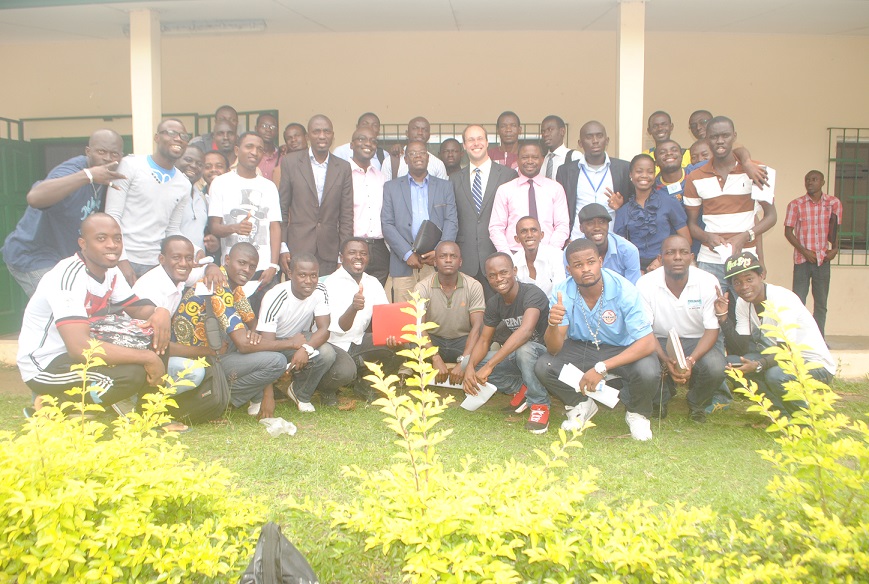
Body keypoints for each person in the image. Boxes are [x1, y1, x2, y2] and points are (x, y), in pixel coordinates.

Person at [17, 213, 173, 415]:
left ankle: (150, 416)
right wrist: (147, 357)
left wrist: (160, 311)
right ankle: (52, 404)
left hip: (78, 353)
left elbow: (136, 308)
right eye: (101, 238)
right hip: (46, 364)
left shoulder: (110, 271)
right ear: (83, 243)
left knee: (157, 335)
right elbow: (79, 347)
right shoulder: (68, 277)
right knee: (129, 376)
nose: (112, 245)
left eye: (117, 239)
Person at [534, 239, 659, 441]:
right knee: (544, 366)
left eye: (590, 262)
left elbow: (647, 342)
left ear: (600, 261)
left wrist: (601, 368)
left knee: (648, 370)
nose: (585, 269)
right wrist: (553, 324)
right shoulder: (562, 292)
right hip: (583, 346)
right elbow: (554, 348)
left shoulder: (623, 289)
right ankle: (580, 404)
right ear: (569, 269)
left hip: (622, 347)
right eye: (578, 265)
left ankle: (637, 413)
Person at [2, 129, 125, 296]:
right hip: (33, 255)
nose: (107, 158)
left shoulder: (109, 176)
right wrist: (88, 175)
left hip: (63, 257)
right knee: (63, 301)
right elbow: (34, 197)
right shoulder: (73, 170)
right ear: (88, 151)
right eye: (101, 152)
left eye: (114, 154)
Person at [172, 242, 288, 419]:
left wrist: (253, 335)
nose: (247, 270)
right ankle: (217, 398)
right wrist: (291, 343)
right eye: (241, 263)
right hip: (198, 361)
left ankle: (254, 396)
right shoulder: (218, 284)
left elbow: (253, 324)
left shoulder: (235, 287)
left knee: (252, 338)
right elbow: (243, 344)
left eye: (252, 266)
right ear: (227, 260)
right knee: (276, 361)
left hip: (214, 352)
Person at [718, 252, 836, 419]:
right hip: (780, 360)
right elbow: (742, 348)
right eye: (737, 282)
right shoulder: (743, 304)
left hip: (814, 365)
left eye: (749, 279)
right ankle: (781, 416)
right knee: (731, 365)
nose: (744, 286)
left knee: (775, 375)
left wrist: (758, 365)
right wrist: (723, 319)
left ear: (761, 276)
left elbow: (786, 350)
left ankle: (806, 419)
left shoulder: (782, 299)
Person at [635, 235, 725, 422]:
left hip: (697, 341)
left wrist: (691, 360)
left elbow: (712, 330)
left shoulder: (708, 281)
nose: (677, 257)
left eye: (683, 253)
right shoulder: (645, 283)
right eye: (670, 253)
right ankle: (660, 400)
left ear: (691, 257)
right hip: (658, 339)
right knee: (646, 367)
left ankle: (697, 403)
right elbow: (645, 330)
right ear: (660, 258)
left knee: (716, 367)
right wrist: (666, 358)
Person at [683, 116, 777, 293]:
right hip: (710, 261)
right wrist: (706, 237)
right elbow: (692, 225)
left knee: (747, 309)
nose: (720, 141)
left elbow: (771, 216)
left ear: (734, 136)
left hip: (746, 259)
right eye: (714, 137)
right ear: (707, 140)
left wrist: (745, 236)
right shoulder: (695, 178)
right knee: (711, 309)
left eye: (725, 135)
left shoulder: (757, 170)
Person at [462, 253, 552, 433]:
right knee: (466, 363)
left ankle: (540, 404)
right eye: (492, 275)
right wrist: (470, 367)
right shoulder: (494, 303)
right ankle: (524, 388)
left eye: (503, 272)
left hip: (544, 357)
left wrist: (489, 366)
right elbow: (484, 340)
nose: (498, 279)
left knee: (524, 349)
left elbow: (525, 332)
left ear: (514, 271)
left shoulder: (532, 293)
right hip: (517, 357)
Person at [257, 253, 352, 412]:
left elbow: (324, 329)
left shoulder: (320, 289)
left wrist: (305, 349)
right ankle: (264, 391)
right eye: (302, 275)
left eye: (313, 275)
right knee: (277, 358)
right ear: (290, 274)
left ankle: (300, 392)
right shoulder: (275, 296)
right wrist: (268, 396)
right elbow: (266, 347)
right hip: (275, 343)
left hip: (300, 338)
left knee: (329, 354)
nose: (308, 281)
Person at [106, 118, 191, 281]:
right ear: (156, 137)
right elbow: (112, 216)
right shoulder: (130, 165)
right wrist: (121, 259)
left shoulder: (184, 184)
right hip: (123, 259)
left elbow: (172, 230)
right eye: (171, 133)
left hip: (156, 264)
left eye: (183, 136)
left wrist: (194, 250)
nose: (178, 139)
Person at [132, 235, 215, 389]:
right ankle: (144, 398)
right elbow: (159, 345)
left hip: (154, 349)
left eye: (188, 258)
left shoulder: (176, 273)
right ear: (162, 259)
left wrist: (213, 268)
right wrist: (208, 351)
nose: (183, 263)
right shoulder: (152, 287)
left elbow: (204, 271)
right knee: (194, 372)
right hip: (139, 353)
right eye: (176, 257)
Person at [381, 140, 458, 301]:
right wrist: (407, 253)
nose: (418, 156)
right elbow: (387, 224)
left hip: (435, 263)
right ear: (405, 159)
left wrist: (439, 252)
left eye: (422, 153)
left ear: (428, 157)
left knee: (435, 311)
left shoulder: (445, 186)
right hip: (403, 263)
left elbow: (451, 221)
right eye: (412, 153)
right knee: (404, 313)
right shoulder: (391, 187)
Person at [278, 114, 354, 275]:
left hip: (330, 250)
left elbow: (347, 215)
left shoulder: (343, 167)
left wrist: (343, 253)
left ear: (333, 136)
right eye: (316, 131)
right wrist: (282, 246)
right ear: (308, 136)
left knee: (327, 291)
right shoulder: (290, 163)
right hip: (297, 248)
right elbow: (282, 208)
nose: (322, 136)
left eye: (326, 131)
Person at [208, 132, 282, 292]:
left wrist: (273, 265)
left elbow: (275, 227)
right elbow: (214, 227)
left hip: (263, 271)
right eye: (249, 147)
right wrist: (235, 228)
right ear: (236, 150)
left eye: (259, 149)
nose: (254, 152)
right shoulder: (220, 183)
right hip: (232, 270)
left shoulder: (269, 187)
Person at [323, 238, 395, 401]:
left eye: (363, 253)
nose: (358, 257)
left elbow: (384, 317)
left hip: (358, 341)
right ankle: (326, 389)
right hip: (334, 346)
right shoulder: (331, 284)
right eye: (352, 253)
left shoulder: (372, 282)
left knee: (400, 346)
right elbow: (340, 328)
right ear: (341, 257)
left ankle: (365, 386)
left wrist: (391, 336)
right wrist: (353, 308)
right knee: (345, 372)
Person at [452, 124, 517, 291]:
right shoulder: (453, 179)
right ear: (464, 145)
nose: (476, 143)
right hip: (466, 260)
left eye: (480, 138)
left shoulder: (508, 175)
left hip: (498, 258)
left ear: (487, 142)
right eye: (470, 140)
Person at [414, 241, 485, 385]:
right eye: (443, 256)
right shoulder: (422, 287)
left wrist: (463, 362)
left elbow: (477, 328)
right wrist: (435, 357)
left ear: (460, 262)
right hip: (434, 341)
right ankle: (443, 368)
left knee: (483, 350)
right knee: (413, 346)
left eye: (453, 256)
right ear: (435, 262)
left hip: (462, 342)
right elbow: (419, 327)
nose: (448, 260)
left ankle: (454, 369)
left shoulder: (474, 286)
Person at [784, 170, 842, 336]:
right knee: (798, 303)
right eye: (807, 179)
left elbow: (836, 228)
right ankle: (796, 339)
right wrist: (804, 251)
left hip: (823, 260)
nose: (810, 182)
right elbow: (788, 232)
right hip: (802, 261)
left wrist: (835, 249)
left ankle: (818, 340)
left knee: (821, 304)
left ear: (822, 182)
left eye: (814, 179)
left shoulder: (833, 203)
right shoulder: (796, 204)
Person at [612, 154, 691, 272]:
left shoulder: (669, 202)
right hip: (635, 267)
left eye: (650, 172)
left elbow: (686, 240)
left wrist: (661, 260)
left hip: (666, 265)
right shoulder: (624, 210)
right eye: (639, 171)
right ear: (631, 175)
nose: (644, 175)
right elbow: (620, 247)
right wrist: (635, 270)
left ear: (654, 175)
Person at [488, 142, 569, 253]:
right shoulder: (505, 190)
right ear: (517, 160)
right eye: (525, 157)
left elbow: (562, 225)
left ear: (542, 160)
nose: (530, 161)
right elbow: (496, 227)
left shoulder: (555, 188)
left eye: (535, 157)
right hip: (514, 253)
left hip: (548, 253)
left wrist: (551, 252)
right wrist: (508, 255)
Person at [556, 120, 632, 237]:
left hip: (612, 238)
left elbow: (633, 205)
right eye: (589, 137)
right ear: (580, 143)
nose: (595, 141)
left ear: (607, 140)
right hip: (578, 238)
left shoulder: (624, 168)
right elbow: (560, 209)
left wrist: (621, 207)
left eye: (599, 136)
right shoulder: (565, 171)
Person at [347, 126, 390, 286]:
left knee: (375, 296)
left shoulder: (381, 178)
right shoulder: (342, 174)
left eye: (373, 141)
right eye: (362, 139)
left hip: (379, 249)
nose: (368, 144)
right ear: (351, 145)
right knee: (351, 295)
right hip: (352, 246)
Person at [578, 203, 641, 284]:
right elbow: (572, 286)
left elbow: (632, 288)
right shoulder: (573, 253)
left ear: (608, 225)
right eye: (590, 223)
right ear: (581, 228)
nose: (597, 228)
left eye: (602, 222)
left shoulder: (628, 250)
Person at [512, 216, 567, 296]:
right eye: (524, 231)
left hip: (555, 303)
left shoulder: (556, 256)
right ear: (517, 238)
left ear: (541, 235)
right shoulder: (514, 261)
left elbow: (560, 293)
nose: (529, 235)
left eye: (533, 230)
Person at [381, 116, 448, 179]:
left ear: (429, 135)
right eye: (415, 128)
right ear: (407, 133)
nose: (420, 133)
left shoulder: (438, 164)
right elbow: (386, 187)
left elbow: (442, 187)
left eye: (425, 130)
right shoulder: (390, 162)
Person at [175, 146, 211, 254]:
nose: (194, 166)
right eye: (188, 160)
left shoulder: (202, 198)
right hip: (175, 260)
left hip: (198, 261)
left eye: (200, 164)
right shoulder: (167, 193)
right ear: (176, 160)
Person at [540, 115, 578, 180]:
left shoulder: (573, 156)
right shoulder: (542, 159)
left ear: (562, 131)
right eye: (543, 131)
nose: (545, 134)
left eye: (550, 130)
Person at [255, 113, 280, 180]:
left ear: (277, 131)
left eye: (272, 127)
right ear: (256, 128)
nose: (268, 130)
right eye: (264, 126)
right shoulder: (250, 155)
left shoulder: (283, 156)